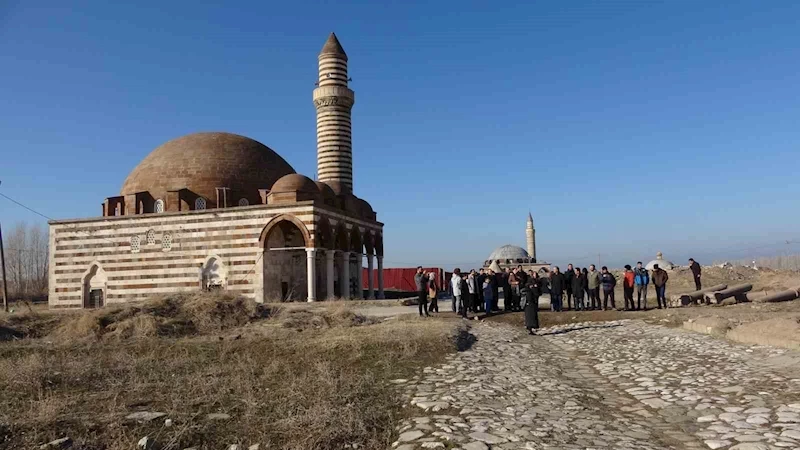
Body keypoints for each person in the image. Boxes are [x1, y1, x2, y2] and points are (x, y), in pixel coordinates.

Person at [524, 270, 541, 334]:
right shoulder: (529, 281)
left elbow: (537, 291)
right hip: (530, 301)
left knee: (532, 315)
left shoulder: (537, 281)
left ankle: (531, 328)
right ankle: (530, 328)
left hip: (533, 300)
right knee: (530, 316)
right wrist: (533, 287)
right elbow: (528, 287)